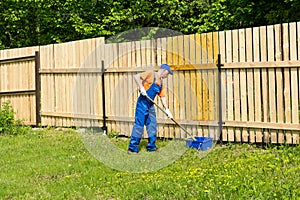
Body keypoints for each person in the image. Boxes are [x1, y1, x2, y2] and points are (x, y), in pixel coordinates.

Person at [127, 64, 173, 154]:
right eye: (167, 73)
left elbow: (162, 97)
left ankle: (151, 147)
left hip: (150, 106)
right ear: (163, 70)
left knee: (152, 125)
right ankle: (132, 148)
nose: (167, 76)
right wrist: (141, 87)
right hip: (142, 104)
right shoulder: (151, 74)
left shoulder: (161, 84)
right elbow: (136, 76)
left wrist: (167, 110)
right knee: (139, 126)